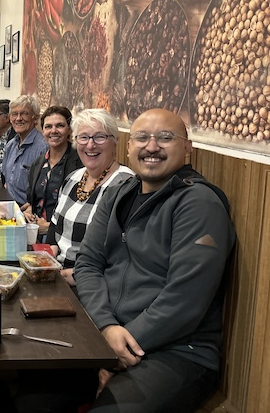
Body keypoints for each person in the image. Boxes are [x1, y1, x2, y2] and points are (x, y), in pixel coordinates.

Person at [75, 108, 236, 412]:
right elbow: (88, 263)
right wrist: (106, 326)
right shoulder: (118, 193)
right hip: (107, 332)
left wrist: (119, 346)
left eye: (165, 138)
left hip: (178, 351)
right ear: (128, 147)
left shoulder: (199, 204)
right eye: (142, 137)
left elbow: (185, 300)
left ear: (187, 148)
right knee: (39, 394)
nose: (151, 146)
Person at [45, 109, 134, 285]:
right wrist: (49, 253)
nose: (90, 145)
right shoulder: (73, 178)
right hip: (58, 272)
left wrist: (75, 275)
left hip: (91, 283)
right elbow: (54, 224)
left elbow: (122, 255)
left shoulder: (125, 185)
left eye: (100, 137)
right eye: (83, 137)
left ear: (115, 142)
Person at [22, 106, 83, 238]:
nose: (53, 131)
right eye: (48, 126)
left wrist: (49, 227)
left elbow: (82, 211)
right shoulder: (38, 164)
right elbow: (33, 201)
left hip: (64, 238)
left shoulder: (80, 164)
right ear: (43, 131)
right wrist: (29, 212)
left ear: (69, 130)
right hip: (36, 235)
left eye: (60, 126)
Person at [1, 95, 48, 206]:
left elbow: (46, 190)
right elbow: (6, 181)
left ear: (35, 118)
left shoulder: (43, 147)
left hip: (28, 210)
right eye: (14, 114)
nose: (18, 118)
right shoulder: (11, 145)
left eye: (24, 114)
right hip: (9, 206)